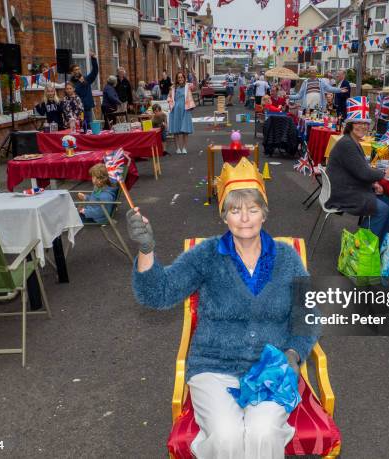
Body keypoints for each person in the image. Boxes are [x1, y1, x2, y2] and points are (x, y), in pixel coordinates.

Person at [128, 157, 316, 457]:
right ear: (223, 216)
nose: (244, 218)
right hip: (213, 366)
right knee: (227, 436)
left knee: (263, 432)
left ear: (264, 214)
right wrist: (146, 250)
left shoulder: (287, 258)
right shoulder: (206, 255)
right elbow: (158, 294)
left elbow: (307, 315)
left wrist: (294, 353)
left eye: (253, 209)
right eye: (235, 210)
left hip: (269, 367)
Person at [326, 97, 389, 241]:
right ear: (350, 125)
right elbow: (364, 173)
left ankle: (378, 244)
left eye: (365, 123)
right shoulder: (347, 144)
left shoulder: (353, 142)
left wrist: (373, 183)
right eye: (358, 123)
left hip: (348, 186)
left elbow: (357, 170)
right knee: (383, 209)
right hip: (342, 193)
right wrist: (386, 173)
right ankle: (362, 246)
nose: (363, 126)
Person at [167, 71, 195, 155]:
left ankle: (184, 148)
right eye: (178, 78)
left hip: (185, 109)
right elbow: (169, 97)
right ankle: (178, 148)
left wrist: (193, 75)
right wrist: (170, 101)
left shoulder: (188, 86)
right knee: (176, 130)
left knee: (185, 130)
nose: (180, 79)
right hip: (175, 110)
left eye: (181, 77)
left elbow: (195, 86)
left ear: (184, 78)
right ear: (177, 79)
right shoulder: (173, 88)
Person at [69, 50, 98, 126]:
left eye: (78, 69)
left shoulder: (85, 79)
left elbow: (94, 72)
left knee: (89, 127)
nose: (78, 71)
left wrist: (93, 59)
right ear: (72, 72)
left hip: (87, 107)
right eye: (75, 70)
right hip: (77, 109)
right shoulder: (71, 83)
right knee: (80, 127)